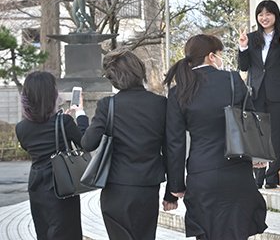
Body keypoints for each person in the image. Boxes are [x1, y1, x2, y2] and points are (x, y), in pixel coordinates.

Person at [164, 34, 268, 240]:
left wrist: (175, 185)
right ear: (211, 56)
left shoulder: (179, 92)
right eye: (220, 54)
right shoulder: (232, 79)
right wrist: (258, 155)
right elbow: (251, 117)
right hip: (237, 171)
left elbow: (174, 143)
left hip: (202, 174)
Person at [80, 49, 173, 239]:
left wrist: (81, 117)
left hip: (116, 186)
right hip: (148, 186)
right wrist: (172, 191)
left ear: (114, 78)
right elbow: (172, 149)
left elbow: (88, 143)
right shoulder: (161, 103)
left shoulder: (108, 105)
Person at [15, 71, 88, 240]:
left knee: (44, 232)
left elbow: (30, 147)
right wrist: (81, 114)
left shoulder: (21, 128)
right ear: (51, 95)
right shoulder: (64, 122)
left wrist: (62, 122)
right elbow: (85, 143)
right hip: (61, 185)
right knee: (66, 232)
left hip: (36, 187)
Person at [237, 0, 280, 189]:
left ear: (275, 16)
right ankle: (258, 176)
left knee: (277, 136)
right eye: (260, 14)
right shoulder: (251, 38)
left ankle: (274, 176)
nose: (264, 18)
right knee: (257, 136)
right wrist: (243, 47)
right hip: (256, 93)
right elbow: (244, 66)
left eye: (268, 14)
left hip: (278, 93)